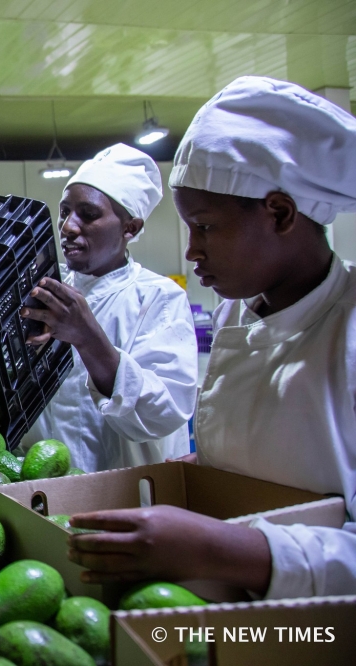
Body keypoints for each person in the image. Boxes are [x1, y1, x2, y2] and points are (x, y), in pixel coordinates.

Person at [66, 76, 356, 599]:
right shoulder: (237, 314)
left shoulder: (347, 334)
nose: (191, 252)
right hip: (219, 611)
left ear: (281, 214)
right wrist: (196, 473)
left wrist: (219, 547)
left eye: (203, 227)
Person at [19, 143, 197, 471]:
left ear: (131, 228)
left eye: (88, 215)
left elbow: (161, 414)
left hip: (124, 495)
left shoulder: (158, 298)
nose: (68, 227)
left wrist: (88, 338)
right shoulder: (42, 289)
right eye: (64, 211)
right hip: (40, 490)